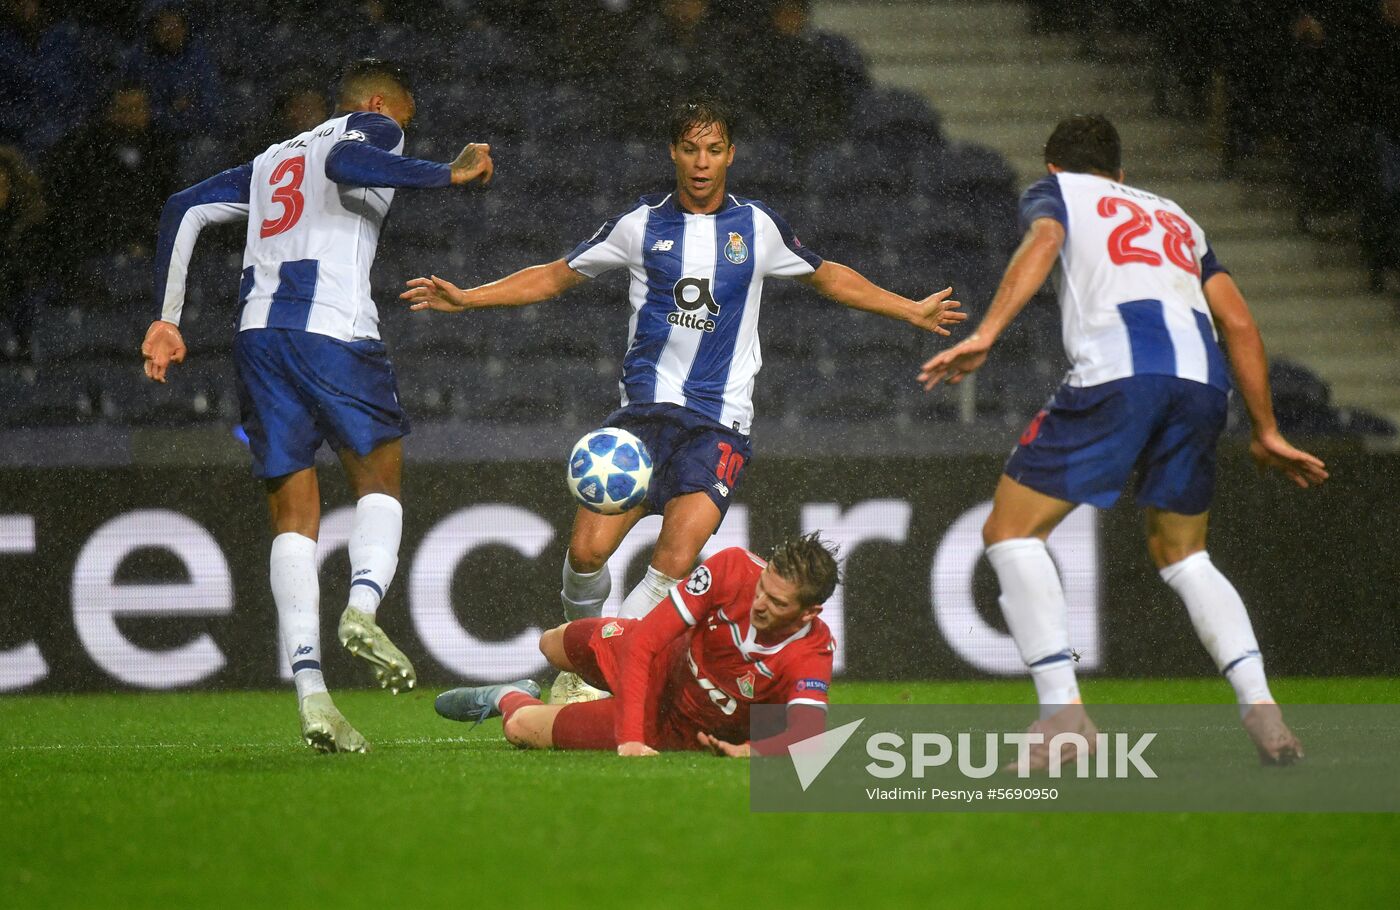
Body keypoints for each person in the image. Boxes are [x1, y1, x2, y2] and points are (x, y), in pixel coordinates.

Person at [402, 97, 964, 704]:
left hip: (717, 426)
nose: (702, 162)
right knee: (586, 553)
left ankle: (592, 677)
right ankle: (584, 655)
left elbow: (828, 275)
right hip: (642, 422)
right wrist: (470, 298)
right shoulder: (638, 226)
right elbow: (556, 274)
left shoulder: (758, 228)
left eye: (714, 150)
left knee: (673, 560)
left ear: (731, 155)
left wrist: (909, 307)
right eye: (691, 148)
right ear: (673, 151)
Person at [919, 115, 1329, 768]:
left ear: (1054, 167)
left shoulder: (1056, 194)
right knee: (1184, 554)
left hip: (1120, 370)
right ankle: (1262, 709)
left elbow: (1046, 241)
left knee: (1010, 533)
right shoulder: (1178, 219)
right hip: (1202, 383)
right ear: (1121, 173)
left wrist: (989, 330)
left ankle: (1064, 716)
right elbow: (1240, 321)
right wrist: (1267, 428)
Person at [140, 58, 495, 753]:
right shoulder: (370, 127)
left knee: (293, 514)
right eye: (403, 119)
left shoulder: (271, 159)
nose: (401, 133)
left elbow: (182, 207)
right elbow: (344, 165)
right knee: (380, 477)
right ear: (375, 104)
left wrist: (166, 317)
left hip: (256, 336)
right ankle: (362, 606)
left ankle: (312, 692)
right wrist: (442, 174)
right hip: (330, 326)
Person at [434, 533, 840, 757]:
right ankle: (575, 694)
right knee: (552, 644)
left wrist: (753, 751)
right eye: (763, 587)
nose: (760, 603)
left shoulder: (812, 651)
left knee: (521, 729)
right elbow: (646, 639)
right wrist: (629, 739)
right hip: (661, 660)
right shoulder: (733, 567)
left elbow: (808, 734)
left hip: (676, 726)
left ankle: (508, 696)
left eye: (777, 602)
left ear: (809, 613)